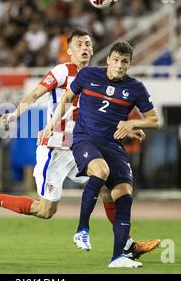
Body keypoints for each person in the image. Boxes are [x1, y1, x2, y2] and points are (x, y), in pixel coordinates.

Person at [0, 29, 159, 260]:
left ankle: (126, 245)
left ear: (93, 50)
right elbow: (34, 95)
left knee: (107, 188)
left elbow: (106, 114)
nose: (84, 48)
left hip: (82, 146)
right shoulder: (63, 71)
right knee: (45, 211)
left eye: (88, 44)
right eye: (79, 44)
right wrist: (14, 114)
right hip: (55, 147)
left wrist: (131, 126)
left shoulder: (100, 75)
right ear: (70, 50)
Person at [39, 41, 160, 268]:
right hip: (85, 139)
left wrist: (132, 123)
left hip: (113, 145)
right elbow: (66, 99)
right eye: (116, 60)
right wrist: (50, 126)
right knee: (101, 171)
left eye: (124, 62)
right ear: (108, 60)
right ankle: (82, 229)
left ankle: (117, 257)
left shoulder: (136, 88)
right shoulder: (87, 76)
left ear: (130, 64)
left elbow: (154, 120)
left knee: (124, 195)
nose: (119, 65)